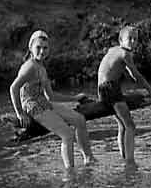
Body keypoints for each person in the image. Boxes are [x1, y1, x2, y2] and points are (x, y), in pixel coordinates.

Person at [10, 29, 95, 171]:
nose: (42, 51)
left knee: (80, 120)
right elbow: (13, 88)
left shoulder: (41, 68)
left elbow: (51, 96)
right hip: (33, 107)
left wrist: (74, 98)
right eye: (38, 47)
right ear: (30, 47)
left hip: (44, 102)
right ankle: (70, 173)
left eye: (45, 48)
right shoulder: (29, 67)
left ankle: (89, 159)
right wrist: (20, 113)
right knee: (67, 134)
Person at [96, 25, 151, 167]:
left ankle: (124, 157)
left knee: (122, 124)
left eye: (136, 39)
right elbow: (136, 75)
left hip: (102, 89)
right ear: (121, 40)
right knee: (130, 125)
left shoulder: (113, 50)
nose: (133, 42)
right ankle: (130, 161)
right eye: (130, 39)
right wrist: (150, 90)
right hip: (110, 89)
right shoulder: (125, 54)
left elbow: (119, 71)